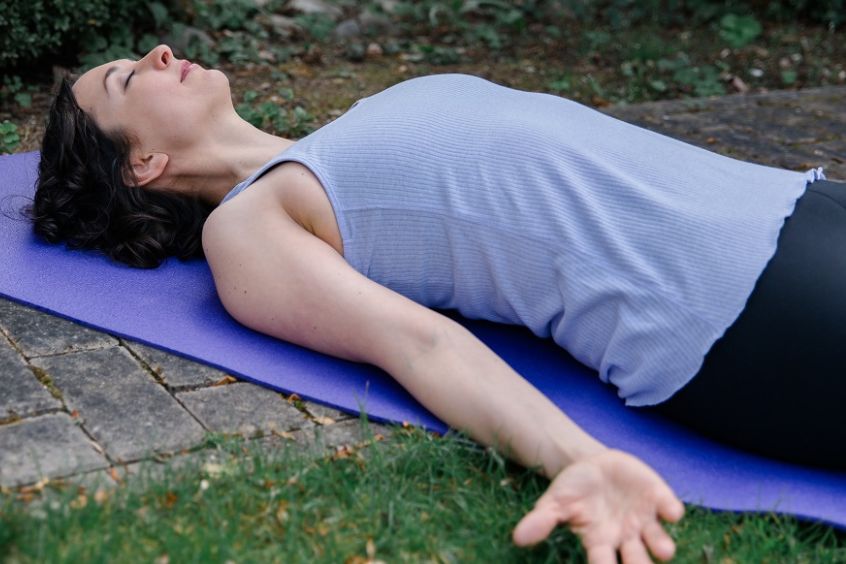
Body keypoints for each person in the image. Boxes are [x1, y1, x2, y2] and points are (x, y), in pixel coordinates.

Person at [26, 44, 845, 562]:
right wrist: (577, 457)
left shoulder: (336, 132)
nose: (162, 53)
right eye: (130, 78)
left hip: (789, 205)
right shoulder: (245, 230)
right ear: (143, 164)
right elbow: (418, 346)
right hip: (732, 303)